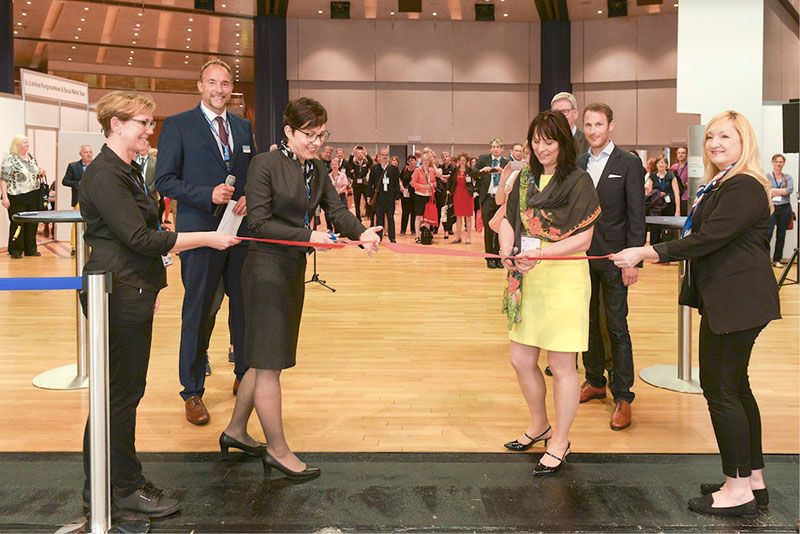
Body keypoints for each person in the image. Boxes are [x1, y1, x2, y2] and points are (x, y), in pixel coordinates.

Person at [611, 110, 780, 518]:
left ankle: (737, 488)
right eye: (712, 137)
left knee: (722, 391)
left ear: (745, 143)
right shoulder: (725, 183)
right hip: (734, 300)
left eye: (726, 136)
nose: (717, 143)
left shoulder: (743, 186)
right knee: (736, 388)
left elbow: (707, 239)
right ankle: (751, 478)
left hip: (736, 302)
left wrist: (646, 252)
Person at [79, 90, 240, 517]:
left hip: (131, 290)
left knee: (122, 394)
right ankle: (121, 489)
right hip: (118, 293)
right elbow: (140, 239)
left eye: (151, 123)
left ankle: (108, 484)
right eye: (142, 123)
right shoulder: (106, 175)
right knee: (120, 396)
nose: (150, 130)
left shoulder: (127, 171)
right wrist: (205, 238)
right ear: (115, 125)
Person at [222, 97, 381, 479]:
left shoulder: (317, 168)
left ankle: (236, 430)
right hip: (263, 272)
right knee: (270, 364)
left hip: (290, 270)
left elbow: (336, 209)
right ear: (288, 131)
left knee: (262, 359)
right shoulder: (264, 164)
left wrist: (362, 232)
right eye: (308, 135)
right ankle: (276, 450)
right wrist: (311, 234)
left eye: (321, 135)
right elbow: (257, 224)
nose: (316, 142)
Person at [498, 110, 600, 475]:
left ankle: (561, 439)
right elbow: (508, 221)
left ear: (563, 143)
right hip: (527, 275)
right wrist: (509, 251)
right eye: (536, 141)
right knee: (521, 359)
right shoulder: (524, 177)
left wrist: (539, 253)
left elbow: (584, 238)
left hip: (564, 278)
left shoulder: (578, 180)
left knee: (561, 365)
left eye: (549, 141)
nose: (541, 148)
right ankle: (539, 424)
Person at [155, 59, 255, 425]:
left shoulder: (243, 127)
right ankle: (192, 391)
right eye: (212, 82)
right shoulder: (178, 126)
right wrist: (205, 194)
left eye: (225, 83)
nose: (219, 89)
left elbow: (252, 173)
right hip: (198, 233)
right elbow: (164, 180)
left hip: (239, 231)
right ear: (200, 85)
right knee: (198, 311)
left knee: (243, 308)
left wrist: (249, 196)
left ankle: (244, 375)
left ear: (232, 88)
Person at [578, 102, 646, 430]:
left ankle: (623, 395)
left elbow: (637, 216)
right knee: (587, 322)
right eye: (588, 125)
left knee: (617, 327)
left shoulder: (629, 164)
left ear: (611, 126)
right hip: (581, 258)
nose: (593, 131)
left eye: (599, 124)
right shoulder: (577, 163)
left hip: (617, 258)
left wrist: (634, 260)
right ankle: (594, 380)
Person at [1, 135, 44, 258]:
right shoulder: (10, 159)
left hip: (33, 194)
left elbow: (33, 172)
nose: (27, 144)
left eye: (28, 142)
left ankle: (30, 249)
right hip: (16, 196)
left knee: (32, 224)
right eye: (24, 142)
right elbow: (3, 179)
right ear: (17, 145)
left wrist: (40, 172)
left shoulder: (31, 158)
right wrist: (4, 196)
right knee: (18, 223)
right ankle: (15, 250)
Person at [471, 138, 509, 268]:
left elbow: (512, 176)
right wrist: (482, 171)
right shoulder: (483, 159)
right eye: (493, 146)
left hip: (501, 199)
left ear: (502, 149)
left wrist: (503, 172)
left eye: (498, 146)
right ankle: (489, 258)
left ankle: (498, 257)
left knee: (500, 229)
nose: (496, 149)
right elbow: (473, 173)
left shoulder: (506, 162)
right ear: (490, 148)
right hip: (488, 198)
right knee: (488, 228)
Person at [63, 144, 94, 255]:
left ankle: (92, 246)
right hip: (79, 199)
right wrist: (79, 184)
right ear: (80, 154)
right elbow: (65, 181)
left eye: (90, 152)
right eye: (86, 152)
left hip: (94, 200)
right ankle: (74, 247)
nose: (89, 154)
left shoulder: (97, 165)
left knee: (93, 223)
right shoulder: (73, 166)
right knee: (76, 224)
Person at [367, 148, 401, 242]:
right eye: (382, 155)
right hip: (379, 197)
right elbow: (370, 183)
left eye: (386, 155)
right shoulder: (374, 168)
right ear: (379, 156)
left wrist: (397, 197)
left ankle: (392, 238)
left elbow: (396, 185)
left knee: (390, 218)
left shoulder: (393, 169)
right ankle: (379, 237)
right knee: (379, 218)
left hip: (390, 196)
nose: (384, 157)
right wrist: (369, 196)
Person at [767, 153, 794, 268]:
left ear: (783, 164)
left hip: (785, 208)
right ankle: (763, 259)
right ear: (773, 163)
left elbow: (789, 190)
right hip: (772, 208)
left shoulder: (787, 177)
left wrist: (774, 190)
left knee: (781, 235)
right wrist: (779, 190)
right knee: (768, 234)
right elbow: (766, 190)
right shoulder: (767, 177)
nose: (779, 164)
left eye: (781, 162)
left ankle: (777, 260)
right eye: (777, 161)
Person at [648, 155, 681, 245]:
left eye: (663, 163)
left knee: (669, 231)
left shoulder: (671, 176)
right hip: (656, 207)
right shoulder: (652, 176)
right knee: (655, 231)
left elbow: (676, 193)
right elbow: (649, 194)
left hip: (669, 206)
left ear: (666, 165)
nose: (661, 165)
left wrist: (678, 210)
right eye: (659, 163)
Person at [410, 152, 438, 243]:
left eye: (427, 160)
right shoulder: (418, 170)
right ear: (421, 161)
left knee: (427, 217)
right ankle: (417, 235)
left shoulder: (432, 171)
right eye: (424, 160)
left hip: (429, 196)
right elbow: (412, 183)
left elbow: (435, 182)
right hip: (420, 195)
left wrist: (432, 185)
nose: (425, 162)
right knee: (418, 216)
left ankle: (426, 234)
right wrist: (422, 186)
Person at [447, 153, 474, 244]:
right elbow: (450, 181)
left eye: (464, 160)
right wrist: (448, 190)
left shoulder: (470, 170)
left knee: (468, 217)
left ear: (466, 161)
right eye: (460, 160)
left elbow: (476, 181)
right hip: (457, 194)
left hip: (467, 195)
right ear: (458, 161)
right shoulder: (455, 170)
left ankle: (468, 237)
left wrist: (476, 191)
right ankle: (458, 237)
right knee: (458, 216)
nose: (462, 162)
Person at [346, 145, 372, 220]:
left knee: (367, 200)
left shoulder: (366, 163)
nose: (360, 154)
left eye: (361, 153)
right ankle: (358, 218)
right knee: (357, 203)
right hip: (356, 185)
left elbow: (371, 162)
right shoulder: (354, 164)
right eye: (358, 153)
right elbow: (349, 163)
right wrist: (352, 152)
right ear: (356, 155)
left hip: (364, 184)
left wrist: (366, 153)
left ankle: (368, 215)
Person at [327, 157, 349, 231]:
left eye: (336, 164)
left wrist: (339, 192)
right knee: (329, 213)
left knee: (343, 213)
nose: (334, 166)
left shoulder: (343, 175)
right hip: (332, 197)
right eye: (332, 164)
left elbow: (345, 185)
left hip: (341, 196)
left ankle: (341, 229)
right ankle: (330, 228)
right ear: (331, 166)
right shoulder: (328, 176)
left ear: (338, 165)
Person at [399, 155, 417, 236]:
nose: (412, 162)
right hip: (405, 193)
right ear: (408, 162)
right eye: (410, 160)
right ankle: (403, 230)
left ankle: (413, 230)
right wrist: (401, 186)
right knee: (405, 212)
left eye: (413, 160)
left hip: (414, 193)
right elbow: (400, 179)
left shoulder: (418, 170)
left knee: (414, 212)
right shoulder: (405, 169)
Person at [670, 146, 689, 214]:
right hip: (675, 197)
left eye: (683, 153)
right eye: (679, 153)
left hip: (685, 197)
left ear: (687, 154)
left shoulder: (689, 167)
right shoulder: (673, 167)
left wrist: (683, 184)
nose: (680, 155)